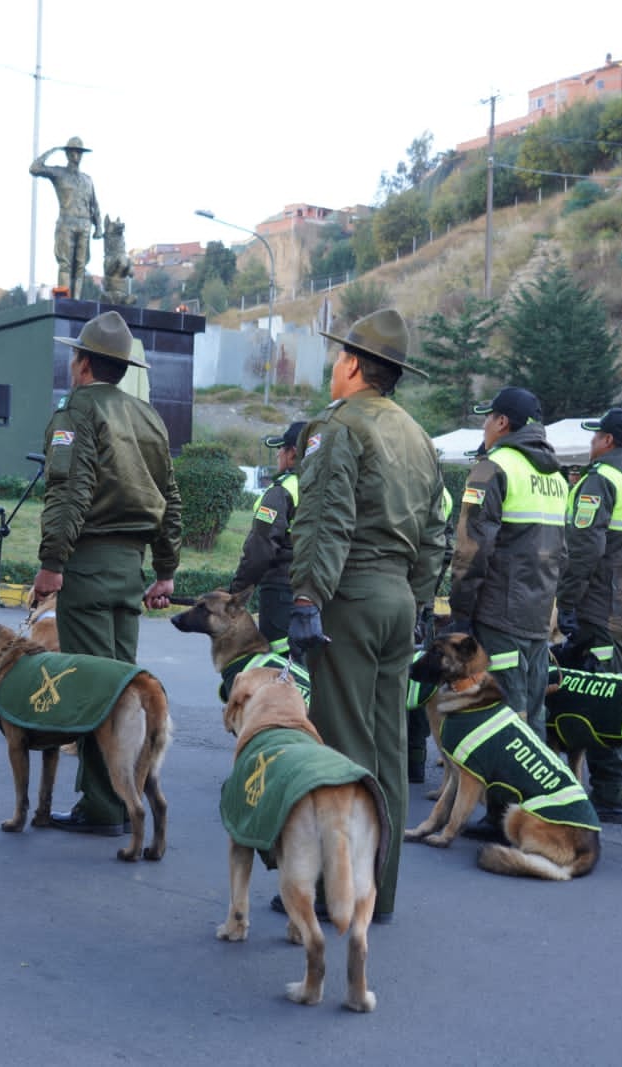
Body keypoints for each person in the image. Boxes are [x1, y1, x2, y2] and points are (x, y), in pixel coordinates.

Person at [285, 308, 445, 922]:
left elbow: (324, 519)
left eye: (336, 358)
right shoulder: (418, 436)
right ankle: (380, 896)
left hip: (348, 598)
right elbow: (435, 536)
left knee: (341, 752)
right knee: (384, 755)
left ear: (352, 364)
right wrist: (420, 601)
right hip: (399, 601)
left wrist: (306, 598)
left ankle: (338, 895)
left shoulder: (338, 426)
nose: (333, 367)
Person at [30, 310, 181, 836]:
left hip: (88, 565)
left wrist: (52, 564)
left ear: (83, 364)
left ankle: (102, 805)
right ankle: (123, 797)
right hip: (131, 567)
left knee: (95, 688)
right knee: (124, 687)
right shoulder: (149, 417)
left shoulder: (77, 411)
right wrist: (165, 569)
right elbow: (170, 497)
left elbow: (68, 492)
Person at [555, 407, 622, 823]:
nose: (592, 442)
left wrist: (567, 601)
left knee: (601, 704)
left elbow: (583, 551)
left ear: (608, 441)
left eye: (596, 435)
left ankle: (612, 797)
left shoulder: (599, 480)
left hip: (601, 609)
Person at [449, 386, 567, 739]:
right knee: (532, 712)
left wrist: (460, 611)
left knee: (502, 718)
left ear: (502, 422)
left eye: (487, 418)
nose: (484, 426)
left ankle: (511, 794)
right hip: (537, 615)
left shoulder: (493, 467)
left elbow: (472, 548)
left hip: (498, 614)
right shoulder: (556, 477)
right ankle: (538, 793)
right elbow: (564, 553)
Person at [228, 420, 304, 648]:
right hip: (323, 594)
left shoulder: (282, 491)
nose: (278, 454)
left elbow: (260, 548)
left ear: (293, 454)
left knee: (280, 669)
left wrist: (236, 592)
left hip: (282, 591)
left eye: (281, 448)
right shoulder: (333, 487)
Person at [30, 136, 102, 293]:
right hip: (66, 223)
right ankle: (65, 299)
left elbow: (94, 204)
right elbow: (34, 168)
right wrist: (52, 151)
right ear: (67, 154)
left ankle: (76, 299)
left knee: (81, 265)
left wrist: (99, 226)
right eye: (72, 152)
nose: (76, 156)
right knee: (65, 263)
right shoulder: (59, 173)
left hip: (84, 224)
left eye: (79, 152)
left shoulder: (87, 180)